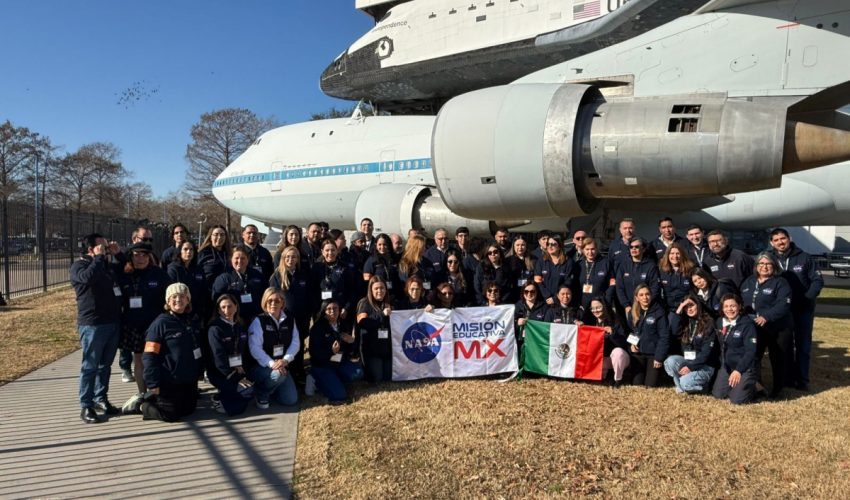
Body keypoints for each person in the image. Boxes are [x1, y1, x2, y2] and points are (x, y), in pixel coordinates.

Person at [71, 233, 122, 423]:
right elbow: (88, 278)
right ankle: (86, 404)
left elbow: (125, 271)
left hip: (112, 322)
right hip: (93, 324)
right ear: (90, 249)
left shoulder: (106, 265)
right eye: (101, 246)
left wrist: (118, 254)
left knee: (105, 365)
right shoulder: (80, 266)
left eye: (106, 246)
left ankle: (101, 398)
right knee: (90, 366)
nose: (104, 250)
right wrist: (99, 258)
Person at [767, 228, 823, 391]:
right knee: (785, 345)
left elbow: (817, 281)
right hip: (782, 311)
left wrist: (807, 298)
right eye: (776, 240)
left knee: (802, 345)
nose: (780, 242)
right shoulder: (769, 258)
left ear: (789, 238)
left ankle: (802, 379)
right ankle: (787, 378)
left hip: (803, 309)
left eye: (783, 238)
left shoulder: (805, 257)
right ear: (771, 243)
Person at [136, 283, 202, 421]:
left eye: (182, 296)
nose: (178, 300)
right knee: (171, 414)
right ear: (168, 301)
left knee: (189, 410)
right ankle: (142, 406)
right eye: (174, 297)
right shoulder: (160, 324)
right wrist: (153, 383)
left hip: (188, 379)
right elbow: (149, 356)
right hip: (169, 380)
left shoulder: (192, 320)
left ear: (188, 300)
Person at [117, 242, 171, 396]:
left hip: (154, 325)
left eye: (144, 255)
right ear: (131, 257)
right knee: (139, 360)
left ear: (149, 257)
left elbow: (170, 295)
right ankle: (142, 393)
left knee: (155, 358)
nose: (140, 259)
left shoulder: (158, 274)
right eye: (136, 255)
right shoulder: (125, 274)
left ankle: (158, 392)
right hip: (133, 325)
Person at [740, 252, 793, 398]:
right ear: (756, 266)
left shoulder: (780, 282)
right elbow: (741, 300)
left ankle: (778, 389)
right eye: (761, 263)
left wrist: (767, 316)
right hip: (755, 328)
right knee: (754, 357)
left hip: (777, 327)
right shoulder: (749, 281)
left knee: (777, 358)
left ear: (774, 266)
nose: (764, 267)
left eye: (768, 263)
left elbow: (784, 304)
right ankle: (758, 387)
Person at [246, 288, 300, 409]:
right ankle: (261, 393)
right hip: (260, 366)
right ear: (265, 302)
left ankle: (272, 389)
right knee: (278, 375)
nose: (273, 304)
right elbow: (255, 348)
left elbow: (295, 343)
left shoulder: (290, 320)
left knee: (290, 400)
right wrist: (272, 364)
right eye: (269, 300)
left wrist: (285, 360)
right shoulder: (258, 321)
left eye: (277, 301)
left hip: (282, 364)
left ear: (282, 303)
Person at [309, 299, 364, 404]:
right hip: (323, 365)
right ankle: (314, 379)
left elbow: (350, 351)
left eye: (335, 308)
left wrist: (351, 342)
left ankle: (333, 380)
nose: (332, 311)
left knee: (358, 373)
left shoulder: (343, 324)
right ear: (324, 311)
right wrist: (331, 351)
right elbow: (314, 353)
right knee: (339, 396)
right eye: (329, 309)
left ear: (339, 310)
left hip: (339, 363)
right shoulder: (317, 328)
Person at [269, 245, 311, 382]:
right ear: (283, 258)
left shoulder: (303, 274)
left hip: (301, 317)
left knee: (299, 344)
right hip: (284, 318)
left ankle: (299, 372)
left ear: (297, 259)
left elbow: (309, 295)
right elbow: (272, 298)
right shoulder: (276, 276)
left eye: (293, 257)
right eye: (287, 257)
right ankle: (287, 373)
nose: (290, 259)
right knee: (286, 344)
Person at [206, 294, 252, 416]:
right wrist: (234, 375)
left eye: (230, 306)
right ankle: (219, 399)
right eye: (223, 307)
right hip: (221, 372)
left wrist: (242, 368)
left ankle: (227, 395)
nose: (226, 310)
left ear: (236, 307)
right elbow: (218, 357)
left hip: (239, 368)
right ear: (218, 310)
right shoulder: (215, 328)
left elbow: (244, 351)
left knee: (252, 387)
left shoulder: (241, 325)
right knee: (246, 393)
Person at [663, 297, 718, 394]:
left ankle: (703, 386)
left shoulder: (709, 322)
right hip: (689, 361)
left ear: (698, 305)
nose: (689, 309)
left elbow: (706, 353)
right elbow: (674, 331)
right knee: (669, 361)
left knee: (685, 383)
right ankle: (682, 386)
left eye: (691, 305)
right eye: (686, 307)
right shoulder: (686, 321)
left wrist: (691, 367)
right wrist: (680, 308)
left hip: (705, 365)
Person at [712, 294, 759, 404]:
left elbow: (751, 351)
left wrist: (739, 370)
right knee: (718, 394)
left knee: (736, 400)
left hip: (745, 367)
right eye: (726, 306)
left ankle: (754, 386)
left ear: (739, 306)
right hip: (728, 366)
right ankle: (739, 385)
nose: (729, 309)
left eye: (733, 306)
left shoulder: (747, 325)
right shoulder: (720, 322)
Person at [626, 284, 670, 387]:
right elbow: (631, 331)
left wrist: (659, 357)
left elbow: (664, 336)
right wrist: (631, 345)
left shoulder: (659, 312)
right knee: (636, 385)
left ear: (651, 295)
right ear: (636, 298)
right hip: (638, 353)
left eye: (647, 294)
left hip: (653, 354)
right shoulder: (632, 312)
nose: (645, 297)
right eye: (641, 295)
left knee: (650, 385)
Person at [212, 246, 267, 324]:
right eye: (236, 258)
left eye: (243, 258)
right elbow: (217, 300)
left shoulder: (257, 275)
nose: (240, 261)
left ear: (248, 259)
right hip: (234, 320)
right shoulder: (224, 278)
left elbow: (265, 295)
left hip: (255, 318)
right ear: (231, 259)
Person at [584, 298, 630, 387]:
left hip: (616, 357)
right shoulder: (589, 321)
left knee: (618, 352)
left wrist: (613, 333)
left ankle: (618, 379)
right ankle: (604, 375)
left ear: (604, 306)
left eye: (598, 307)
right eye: (592, 308)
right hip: (599, 359)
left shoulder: (616, 320)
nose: (595, 311)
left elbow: (623, 343)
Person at [310, 238, 357, 325]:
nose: (330, 253)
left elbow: (352, 290)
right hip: (321, 311)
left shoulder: (344, 268)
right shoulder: (317, 267)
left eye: (333, 250)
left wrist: (346, 308)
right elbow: (312, 290)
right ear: (322, 251)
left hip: (340, 311)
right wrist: (317, 309)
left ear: (337, 251)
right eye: (327, 250)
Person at [658, 243, 696, 345]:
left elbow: (695, 289)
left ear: (682, 254)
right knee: (673, 331)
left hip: (687, 307)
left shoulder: (690, 269)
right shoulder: (662, 270)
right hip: (670, 309)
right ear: (667, 255)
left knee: (689, 334)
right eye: (672, 253)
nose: (675, 256)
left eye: (677, 253)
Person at [358, 277, 394, 382]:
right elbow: (362, 323)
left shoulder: (390, 302)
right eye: (376, 288)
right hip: (372, 350)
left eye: (382, 288)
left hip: (387, 349)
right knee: (378, 378)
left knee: (389, 377)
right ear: (371, 290)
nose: (380, 291)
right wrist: (382, 314)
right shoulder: (364, 303)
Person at [615, 237, 660, 319]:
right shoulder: (623, 265)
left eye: (637, 247)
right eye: (631, 247)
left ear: (643, 249)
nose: (633, 249)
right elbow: (619, 287)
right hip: (628, 308)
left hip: (645, 307)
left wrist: (645, 304)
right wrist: (626, 305)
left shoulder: (650, 266)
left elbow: (654, 288)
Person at [167, 240, 210, 323]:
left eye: (191, 249)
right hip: (179, 310)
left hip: (196, 312)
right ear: (180, 251)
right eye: (185, 249)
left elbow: (203, 290)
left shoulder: (198, 269)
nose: (188, 252)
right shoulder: (173, 269)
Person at [534, 235, 576, 309]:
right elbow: (538, 280)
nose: (550, 246)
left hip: (561, 301)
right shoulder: (541, 261)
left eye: (553, 244)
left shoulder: (568, 262)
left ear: (559, 246)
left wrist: (555, 298)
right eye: (548, 244)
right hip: (543, 300)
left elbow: (568, 282)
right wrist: (547, 296)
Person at [576, 237, 615, 314]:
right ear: (583, 250)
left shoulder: (605, 263)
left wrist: (606, 300)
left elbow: (612, 283)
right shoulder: (578, 265)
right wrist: (577, 303)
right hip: (582, 306)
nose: (590, 252)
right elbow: (574, 286)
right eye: (587, 249)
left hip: (601, 305)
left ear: (597, 249)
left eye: (592, 249)